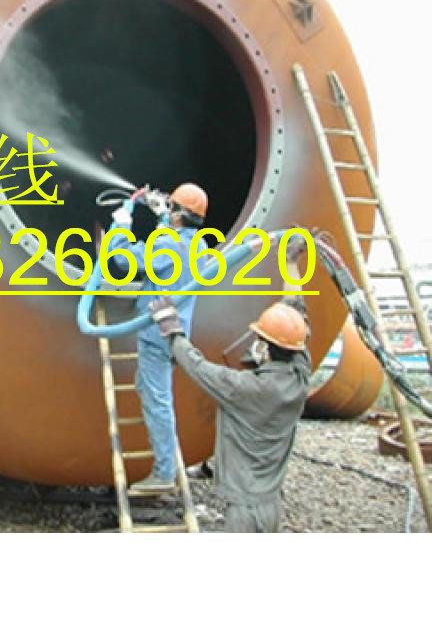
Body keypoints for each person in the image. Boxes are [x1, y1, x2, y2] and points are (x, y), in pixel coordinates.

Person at [149, 297, 311, 532]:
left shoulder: (246, 389)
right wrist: (294, 306)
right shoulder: (300, 380)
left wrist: (173, 333)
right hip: (272, 504)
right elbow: (301, 344)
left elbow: (199, 369)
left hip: (245, 511)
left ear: (265, 349)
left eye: (259, 340)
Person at [109, 182, 209, 493]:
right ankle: (166, 467)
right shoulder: (199, 245)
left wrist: (121, 225)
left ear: (178, 214)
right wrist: (163, 219)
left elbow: (123, 261)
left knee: (158, 402)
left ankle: (164, 473)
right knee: (149, 387)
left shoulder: (168, 246)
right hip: (175, 331)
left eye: (172, 206)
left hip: (156, 335)